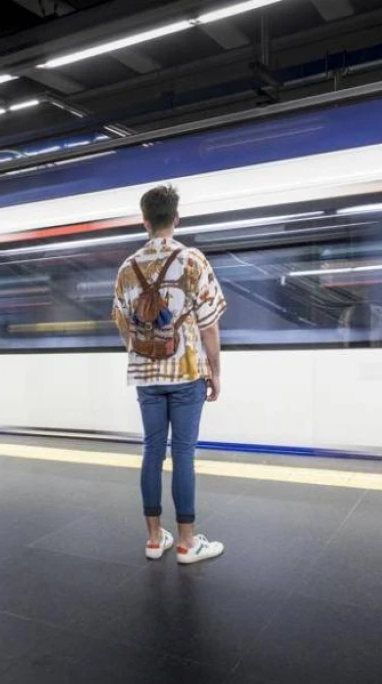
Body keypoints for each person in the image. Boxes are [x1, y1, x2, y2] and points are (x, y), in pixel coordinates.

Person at [112, 184, 227, 565]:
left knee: (151, 451)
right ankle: (186, 542)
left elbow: (121, 324)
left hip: (146, 375)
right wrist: (215, 370)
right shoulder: (192, 260)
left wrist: (143, 350)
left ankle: (152, 538)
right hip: (186, 371)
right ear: (175, 218)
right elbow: (209, 325)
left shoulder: (127, 268)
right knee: (183, 455)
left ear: (144, 221)